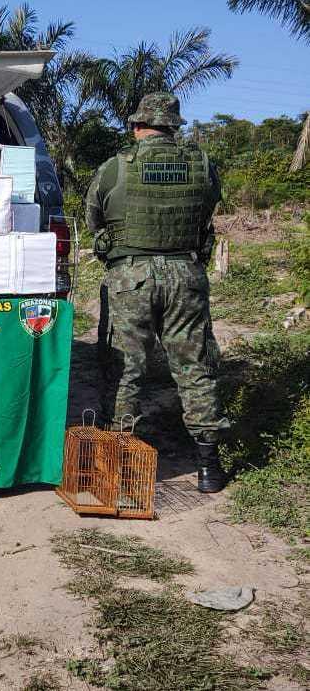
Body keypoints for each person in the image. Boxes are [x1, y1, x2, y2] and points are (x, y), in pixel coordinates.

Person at [85, 91, 229, 493]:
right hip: (186, 274)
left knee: (125, 369)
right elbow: (208, 211)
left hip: (130, 277)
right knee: (195, 367)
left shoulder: (115, 167)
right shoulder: (202, 165)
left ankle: (119, 465)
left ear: (137, 127)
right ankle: (209, 467)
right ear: (174, 127)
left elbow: (94, 218)